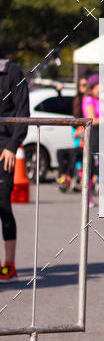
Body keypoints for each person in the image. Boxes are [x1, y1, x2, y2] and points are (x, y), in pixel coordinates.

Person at [0, 55, 30, 282]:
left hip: (4, 149)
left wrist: (12, 146)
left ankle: (8, 264)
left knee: (3, 206)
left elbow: (23, 113)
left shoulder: (12, 72)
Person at [82, 74, 101, 205]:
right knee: (91, 167)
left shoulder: (101, 99)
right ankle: (87, 197)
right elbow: (91, 120)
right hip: (94, 135)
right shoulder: (89, 100)